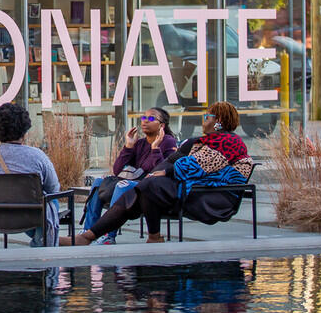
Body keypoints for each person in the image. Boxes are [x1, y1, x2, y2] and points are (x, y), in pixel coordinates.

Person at [62, 101, 252, 245]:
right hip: (190, 189)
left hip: (213, 195)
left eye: (207, 117)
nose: (203, 121)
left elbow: (195, 166)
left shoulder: (229, 141)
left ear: (218, 122)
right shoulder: (198, 142)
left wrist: (166, 171)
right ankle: (89, 236)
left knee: (147, 186)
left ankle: (95, 236)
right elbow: (170, 162)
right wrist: (159, 170)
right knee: (145, 187)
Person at [80, 107, 178, 240]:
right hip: (134, 181)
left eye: (150, 118)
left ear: (161, 125)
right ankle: (87, 231)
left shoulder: (168, 141)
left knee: (122, 185)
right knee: (98, 182)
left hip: (148, 189)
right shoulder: (140, 143)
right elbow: (117, 170)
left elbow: (162, 170)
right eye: (143, 118)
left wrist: (155, 148)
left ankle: (109, 236)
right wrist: (129, 146)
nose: (144, 121)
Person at [0, 102, 61, 247]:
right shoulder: (37, 156)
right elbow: (53, 189)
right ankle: (41, 242)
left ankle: (40, 240)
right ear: (24, 129)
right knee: (50, 201)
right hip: (29, 216)